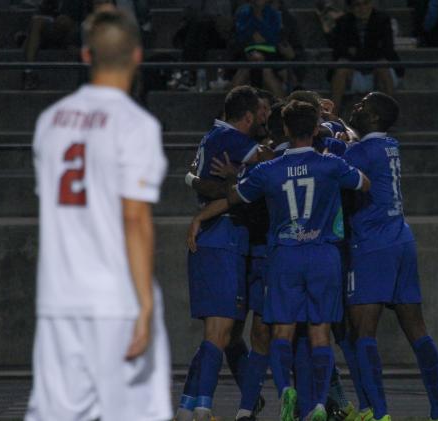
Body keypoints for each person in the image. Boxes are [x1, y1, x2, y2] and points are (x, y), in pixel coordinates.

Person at [25, 9, 171, 421]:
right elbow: (134, 218)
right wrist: (144, 305)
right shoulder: (135, 124)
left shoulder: (49, 122)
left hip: (59, 297)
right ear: (138, 56)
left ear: (86, 55)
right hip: (114, 298)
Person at [188, 100, 370, 421]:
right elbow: (363, 183)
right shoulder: (330, 165)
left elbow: (234, 197)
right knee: (320, 333)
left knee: (279, 332)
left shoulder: (268, 170)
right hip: (323, 252)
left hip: (284, 254)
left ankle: (285, 388)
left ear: (285, 129)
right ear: (315, 129)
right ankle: (315, 403)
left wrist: (201, 215)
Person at [342, 92, 438, 421]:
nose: (356, 109)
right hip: (402, 238)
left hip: (373, 243)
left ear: (374, 117)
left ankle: (379, 413)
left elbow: (336, 167)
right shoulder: (390, 145)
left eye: (362, 107)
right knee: (417, 329)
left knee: (362, 331)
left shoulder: (360, 152)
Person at [175, 85, 265, 421]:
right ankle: (203, 407)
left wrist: (195, 182)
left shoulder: (211, 135)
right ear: (247, 117)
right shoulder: (235, 140)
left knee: (220, 333)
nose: (264, 120)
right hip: (224, 238)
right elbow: (273, 162)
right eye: (262, 114)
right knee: (221, 332)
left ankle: (188, 405)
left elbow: (197, 177)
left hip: (214, 240)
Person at [328, 0, 404, 113]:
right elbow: (340, 50)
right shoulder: (343, 22)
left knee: (382, 65)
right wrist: (368, 52)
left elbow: (387, 49)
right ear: (351, 8)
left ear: (371, 4)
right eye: (357, 5)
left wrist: (357, 52)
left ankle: (389, 113)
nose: (362, 8)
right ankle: (333, 114)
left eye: (366, 3)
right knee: (341, 68)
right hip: (354, 71)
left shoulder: (383, 20)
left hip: (377, 68)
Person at [232, 0, 286, 98]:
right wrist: (254, 34)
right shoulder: (243, 13)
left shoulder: (274, 14)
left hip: (270, 53)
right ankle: (229, 111)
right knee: (241, 74)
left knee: (267, 72)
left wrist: (258, 24)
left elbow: (274, 37)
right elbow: (241, 34)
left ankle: (281, 109)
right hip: (248, 52)